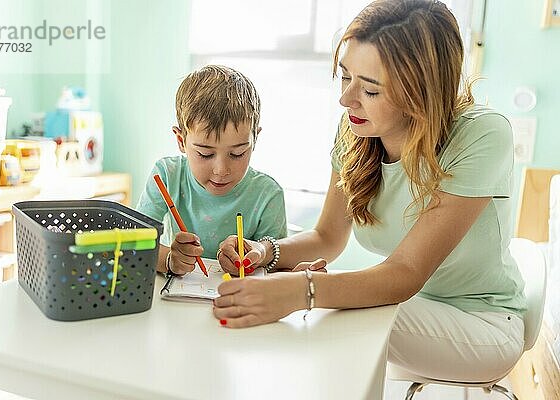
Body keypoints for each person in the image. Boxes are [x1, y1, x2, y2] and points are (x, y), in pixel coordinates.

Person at [213, 0, 526, 383]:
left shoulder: (482, 135)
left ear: (421, 91)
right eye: (346, 77)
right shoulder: (357, 129)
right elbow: (327, 237)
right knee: (323, 312)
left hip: (482, 322)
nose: (346, 100)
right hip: (410, 307)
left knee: (327, 318)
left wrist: (303, 290)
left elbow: (406, 273)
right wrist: (264, 252)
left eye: (371, 90)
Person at [137, 65, 287, 276]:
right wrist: (169, 260)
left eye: (237, 154)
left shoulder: (268, 194)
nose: (221, 170)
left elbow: (277, 266)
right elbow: (135, 244)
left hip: (240, 301)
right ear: (181, 141)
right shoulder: (166, 175)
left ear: (255, 140)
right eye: (205, 154)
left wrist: (255, 260)